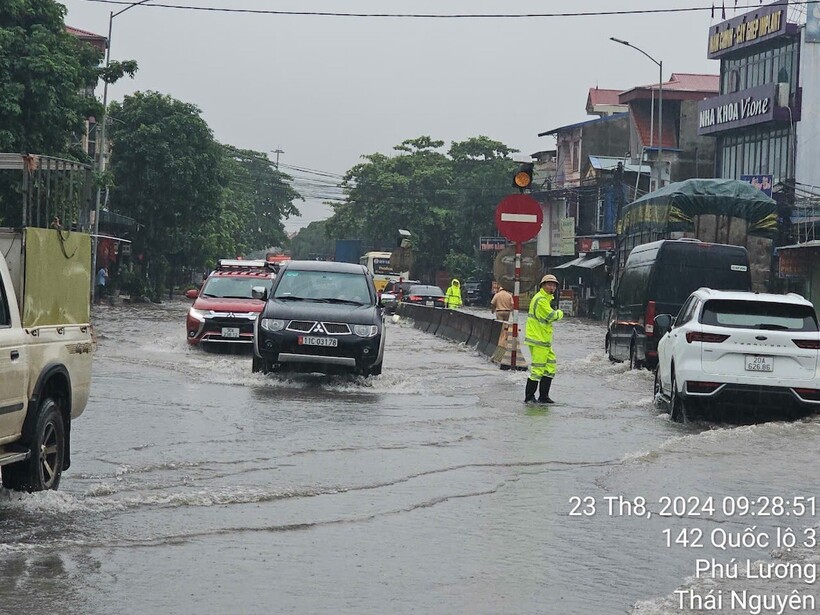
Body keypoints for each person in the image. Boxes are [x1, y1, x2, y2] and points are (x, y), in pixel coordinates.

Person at [524, 274, 564, 404]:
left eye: (554, 285)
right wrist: (560, 313)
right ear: (543, 285)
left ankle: (543, 396)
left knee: (550, 367)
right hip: (538, 340)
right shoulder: (541, 300)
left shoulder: (545, 299)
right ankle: (529, 397)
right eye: (549, 284)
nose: (552, 287)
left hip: (544, 341)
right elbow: (551, 316)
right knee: (537, 369)